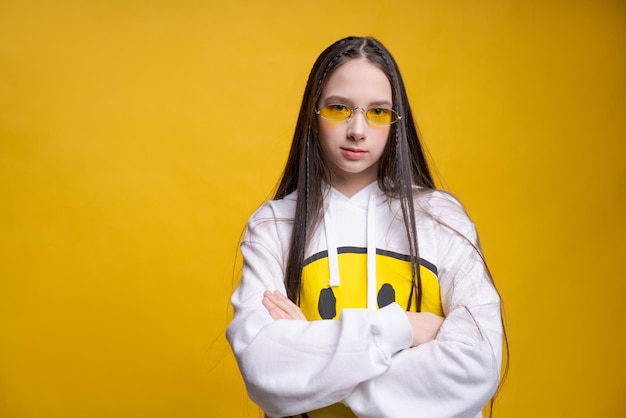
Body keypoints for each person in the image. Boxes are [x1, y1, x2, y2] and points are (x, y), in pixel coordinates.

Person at [226, 36, 506, 418]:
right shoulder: (274, 226)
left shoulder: (442, 218)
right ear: (314, 113)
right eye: (339, 108)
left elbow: (476, 365)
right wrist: (406, 328)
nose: (358, 130)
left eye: (378, 112)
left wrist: (314, 369)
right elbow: (265, 369)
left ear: (396, 120)